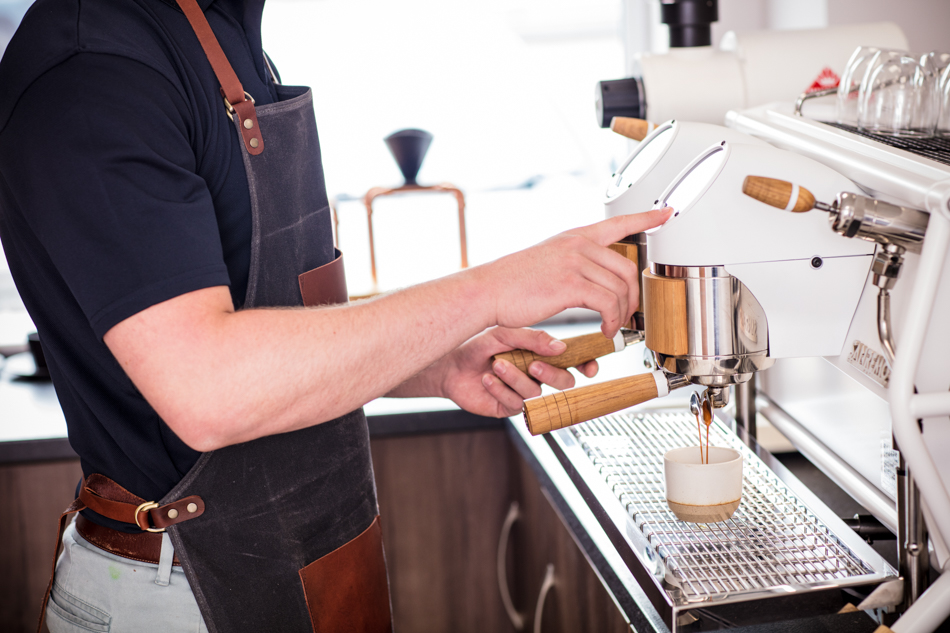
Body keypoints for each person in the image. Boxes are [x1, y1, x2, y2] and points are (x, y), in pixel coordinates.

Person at [0, 0, 671, 631]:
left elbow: (267, 324)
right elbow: (209, 387)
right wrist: (492, 286)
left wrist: (430, 363)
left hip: (308, 570)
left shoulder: (220, 32)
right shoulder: (96, 74)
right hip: (184, 592)